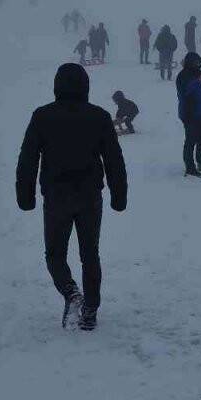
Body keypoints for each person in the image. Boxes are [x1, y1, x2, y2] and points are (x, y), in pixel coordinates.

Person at [16, 63, 128, 331]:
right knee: (90, 254)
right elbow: (114, 159)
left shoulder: (43, 117)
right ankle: (89, 309)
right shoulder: (98, 117)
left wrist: (25, 195)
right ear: (85, 87)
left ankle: (71, 292)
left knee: (55, 254)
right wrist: (119, 194)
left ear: (57, 86)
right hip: (89, 196)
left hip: (57, 197)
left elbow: (28, 159)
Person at [176, 52, 201, 177]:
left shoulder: (197, 74)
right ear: (190, 62)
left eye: (199, 62)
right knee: (191, 141)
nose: (198, 65)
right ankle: (190, 168)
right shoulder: (183, 75)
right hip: (189, 113)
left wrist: (200, 79)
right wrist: (199, 81)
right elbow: (186, 91)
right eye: (195, 62)